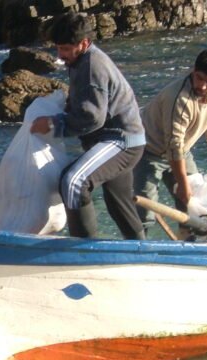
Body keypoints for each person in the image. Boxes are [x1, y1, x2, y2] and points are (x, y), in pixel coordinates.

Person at [30, 12, 147, 240]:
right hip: (121, 139)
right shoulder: (80, 60)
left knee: (73, 181)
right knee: (119, 205)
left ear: (83, 43)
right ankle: (141, 251)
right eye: (58, 48)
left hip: (121, 141)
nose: (60, 55)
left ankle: (83, 249)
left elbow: (92, 118)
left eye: (64, 49)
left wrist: (54, 124)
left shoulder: (92, 66)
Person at [133, 49, 207, 237]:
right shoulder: (178, 98)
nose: (202, 86)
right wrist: (183, 186)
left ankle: (188, 248)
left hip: (181, 151)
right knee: (145, 212)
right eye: (199, 78)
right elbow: (173, 145)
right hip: (148, 149)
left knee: (193, 208)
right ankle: (138, 250)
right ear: (193, 71)